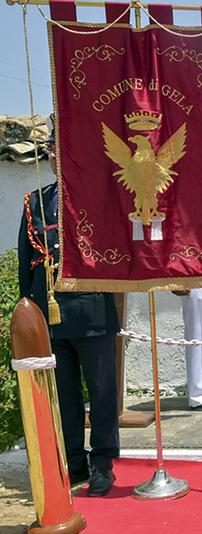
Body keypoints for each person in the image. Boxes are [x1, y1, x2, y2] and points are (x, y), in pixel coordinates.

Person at [17, 116, 120, 497]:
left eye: (68, 148)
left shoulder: (99, 197)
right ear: (50, 154)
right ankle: (74, 462)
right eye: (54, 149)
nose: (60, 155)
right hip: (52, 316)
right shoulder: (35, 204)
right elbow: (25, 266)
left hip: (93, 312)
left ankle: (103, 464)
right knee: (65, 397)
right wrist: (30, 318)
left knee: (103, 395)